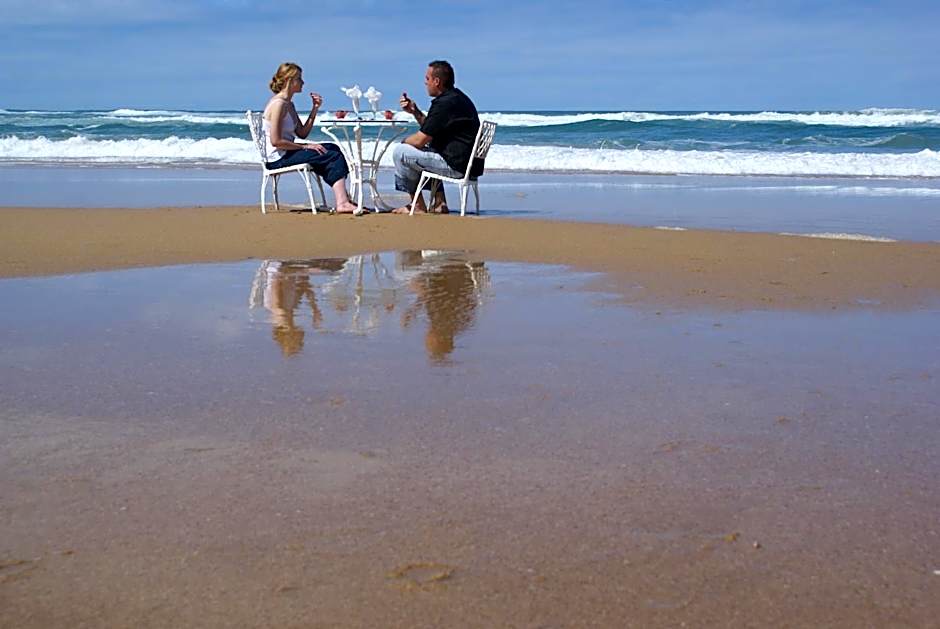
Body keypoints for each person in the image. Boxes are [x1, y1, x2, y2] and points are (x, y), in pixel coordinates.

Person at [263, 62, 361, 214]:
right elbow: (275, 141)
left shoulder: (289, 104)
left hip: (286, 152)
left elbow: (302, 133)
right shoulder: (278, 104)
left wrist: (314, 109)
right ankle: (342, 202)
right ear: (290, 80)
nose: (303, 82)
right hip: (277, 158)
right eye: (299, 79)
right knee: (330, 154)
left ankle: (343, 199)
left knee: (331, 148)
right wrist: (305, 147)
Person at [391, 60, 484, 214]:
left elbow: (420, 140)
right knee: (430, 149)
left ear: (437, 81)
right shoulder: (457, 98)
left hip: (456, 166)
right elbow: (430, 128)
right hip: (468, 164)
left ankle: (418, 205)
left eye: (427, 79)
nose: (425, 83)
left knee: (400, 152)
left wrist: (404, 142)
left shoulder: (444, 104)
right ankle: (440, 203)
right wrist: (415, 111)